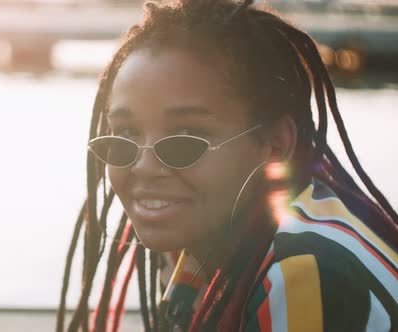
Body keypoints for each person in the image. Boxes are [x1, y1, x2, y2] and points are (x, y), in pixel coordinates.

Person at [56, 0, 398, 331]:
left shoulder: (305, 274)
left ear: (274, 145)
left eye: (186, 137)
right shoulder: (210, 240)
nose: (144, 166)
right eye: (125, 134)